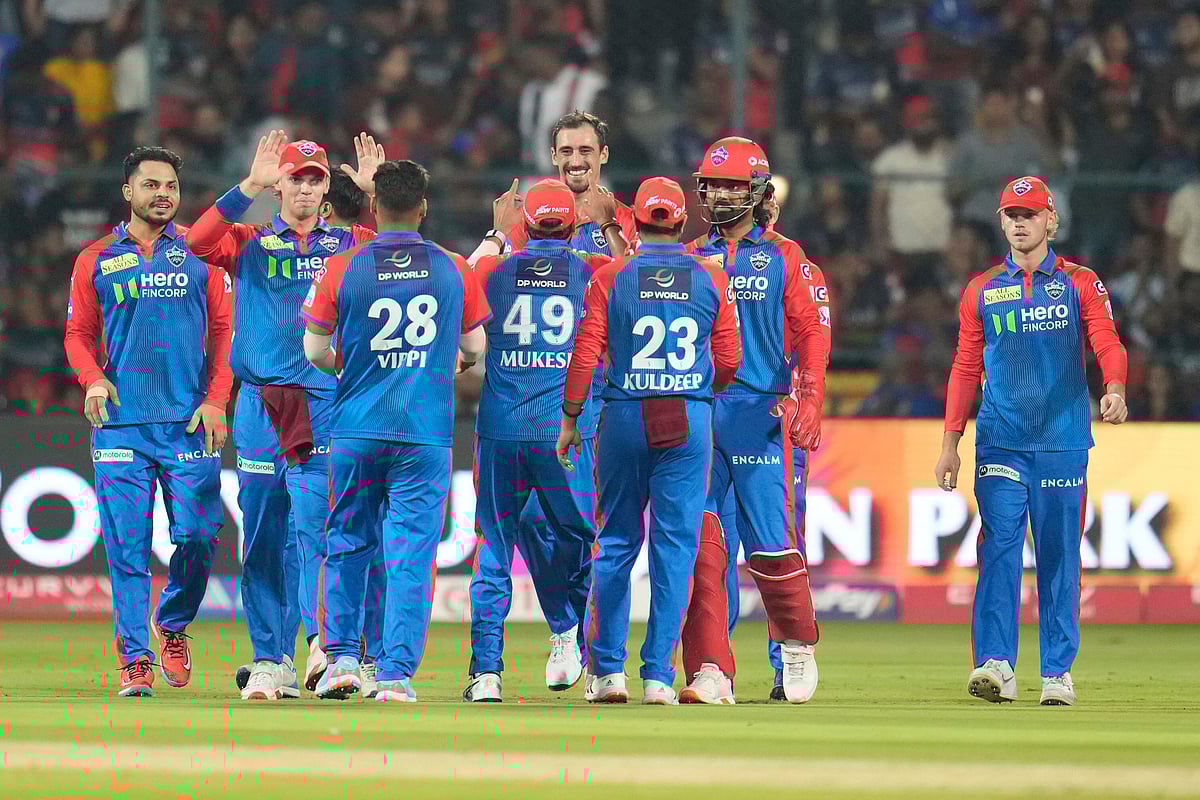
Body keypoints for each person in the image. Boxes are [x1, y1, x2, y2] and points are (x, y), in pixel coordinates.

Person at [187, 131, 383, 700]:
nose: (303, 187)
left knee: (317, 525)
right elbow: (197, 244)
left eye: (314, 178)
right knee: (263, 532)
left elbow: (408, 254)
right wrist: (247, 185)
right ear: (280, 186)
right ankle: (271, 660)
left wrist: (374, 194)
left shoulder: (353, 242)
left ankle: (327, 646)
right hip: (259, 405)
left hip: (325, 401)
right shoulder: (247, 239)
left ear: (327, 188)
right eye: (294, 178)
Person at [934, 176, 1128, 707]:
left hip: (1063, 438)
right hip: (999, 439)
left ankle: (1057, 673)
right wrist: (951, 441)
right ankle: (996, 665)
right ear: (1001, 222)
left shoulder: (1081, 282)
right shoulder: (981, 289)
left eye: (1030, 214)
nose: (1020, 222)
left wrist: (1114, 388)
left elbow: (1106, 340)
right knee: (997, 547)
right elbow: (965, 367)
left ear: (1051, 220)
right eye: (1011, 214)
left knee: (1060, 554)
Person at [304, 160, 490, 703]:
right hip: (424, 433)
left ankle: (340, 659)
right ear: (424, 207)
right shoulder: (455, 267)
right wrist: (443, 364)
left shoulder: (342, 268)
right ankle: (394, 676)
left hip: (356, 431)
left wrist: (349, 365)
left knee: (347, 542)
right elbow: (476, 350)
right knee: (409, 554)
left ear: (375, 207)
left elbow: (315, 350)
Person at [557, 176, 742, 705]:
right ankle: (659, 675)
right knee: (675, 549)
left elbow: (585, 353)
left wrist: (571, 418)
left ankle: (608, 673)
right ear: (683, 224)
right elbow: (729, 360)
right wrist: (703, 391)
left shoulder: (611, 276)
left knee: (615, 543)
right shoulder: (712, 278)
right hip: (687, 415)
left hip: (623, 415)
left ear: (634, 222)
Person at [64, 146, 233, 697]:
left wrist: (216, 399)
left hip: (188, 423)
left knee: (200, 535)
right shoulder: (94, 257)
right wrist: (91, 377)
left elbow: (225, 332)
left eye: (171, 187)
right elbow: (77, 334)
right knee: (127, 547)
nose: (163, 194)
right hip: (121, 425)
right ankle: (135, 658)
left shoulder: (199, 253)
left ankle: (173, 623)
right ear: (128, 192)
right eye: (152, 185)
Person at [677, 137, 830, 706]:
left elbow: (814, 331)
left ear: (758, 190)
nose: (718, 195)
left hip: (764, 414)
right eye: (711, 185)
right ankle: (711, 669)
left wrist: (810, 398)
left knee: (772, 545)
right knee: (702, 548)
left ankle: (793, 646)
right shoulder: (689, 255)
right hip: (701, 414)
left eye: (732, 186)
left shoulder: (788, 257)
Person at [464, 179, 607, 702]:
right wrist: (613, 223)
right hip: (565, 432)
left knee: (494, 550)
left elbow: (463, 280)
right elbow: (634, 271)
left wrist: (496, 236)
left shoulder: (493, 271)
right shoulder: (593, 274)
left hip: (501, 430)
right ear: (573, 226)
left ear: (525, 225)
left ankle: (486, 674)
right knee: (579, 538)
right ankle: (572, 634)